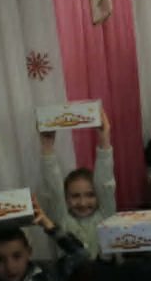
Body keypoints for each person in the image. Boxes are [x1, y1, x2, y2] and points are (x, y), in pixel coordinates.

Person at [39, 106, 116, 257]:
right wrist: (47, 146)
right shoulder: (63, 220)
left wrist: (104, 138)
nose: (82, 202)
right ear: (66, 199)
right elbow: (54, 190)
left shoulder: (106, 215)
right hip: (72, 279)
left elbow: (105, 183)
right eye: (75, 196)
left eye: (89, 195)